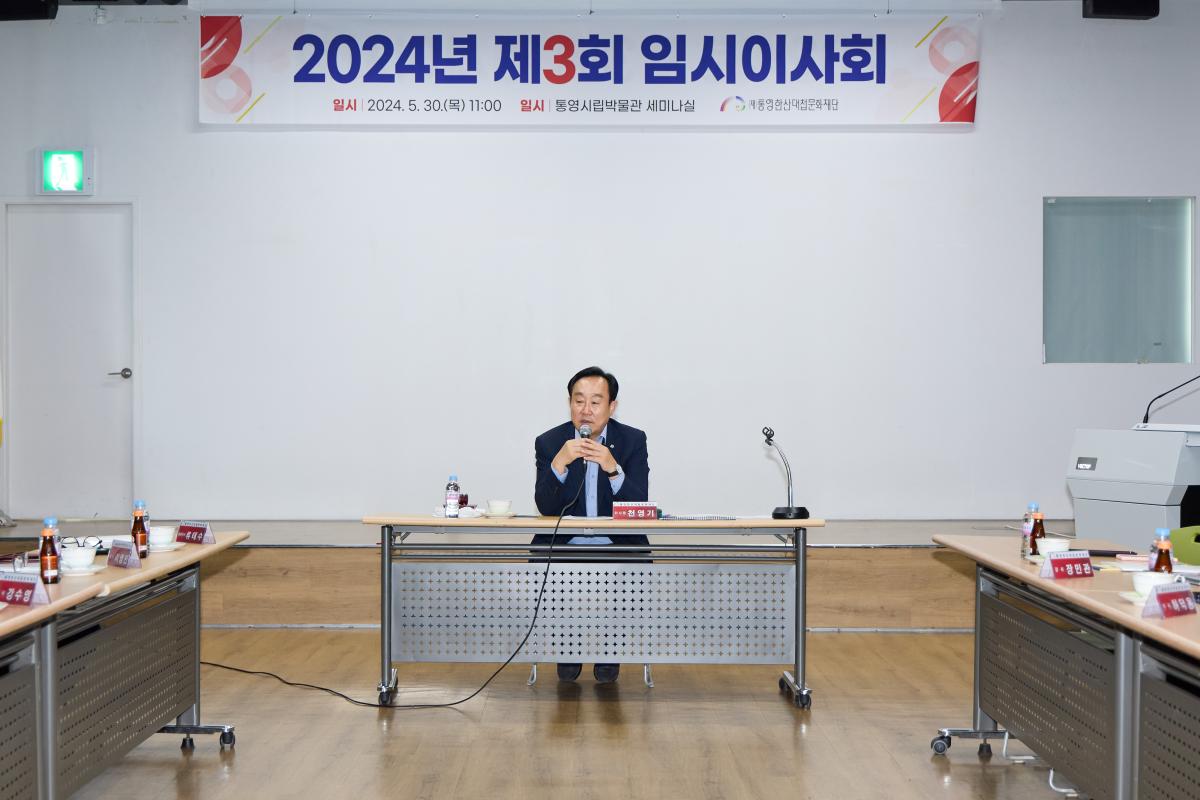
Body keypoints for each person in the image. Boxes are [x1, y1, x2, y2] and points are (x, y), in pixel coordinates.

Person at [533, 366, 649, 684]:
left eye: (595, 402)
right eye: (578, 400)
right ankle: (567, 649)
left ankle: (609, 651)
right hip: (566, 545)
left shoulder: (632, 440)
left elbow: (639, 505)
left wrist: (613, 468)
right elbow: (545, 507)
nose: (586, 410)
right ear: (569, 403)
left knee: (631, 569)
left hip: (617, 545)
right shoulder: (550, 442)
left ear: (612, 406)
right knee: (547, 566)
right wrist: (559, 463)